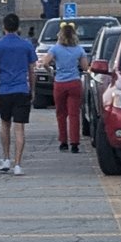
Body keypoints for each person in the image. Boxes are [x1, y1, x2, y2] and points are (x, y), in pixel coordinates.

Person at [0, 12, 38, 173]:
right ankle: (18, 164)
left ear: (4, 27)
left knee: (5, 124)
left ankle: (5, 158)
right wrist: (32, 89)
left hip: (4, 90)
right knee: (19, 128)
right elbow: (32, 70)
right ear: (18, 27)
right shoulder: (26, 45)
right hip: (21, 89)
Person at [50, 20, 86, 155]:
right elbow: (85, 67)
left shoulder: (55, 49)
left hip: (60, 83)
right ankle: (75, 143)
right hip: (74, 82)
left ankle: (63, 142)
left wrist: (51, 71)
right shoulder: (79, 49)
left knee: (61, 113)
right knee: (74, 114)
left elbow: (45, 62)